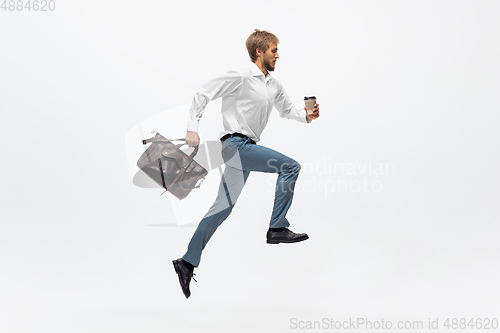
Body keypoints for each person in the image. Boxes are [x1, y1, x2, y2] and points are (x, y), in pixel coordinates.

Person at [172, 29, 320, 298]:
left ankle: (187, 261)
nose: (278, 55)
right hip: (234, 145)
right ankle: (277, 228)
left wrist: (307, 116)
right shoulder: (240, 76)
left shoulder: (273, 85)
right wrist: (192, 126)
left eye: (278, 50)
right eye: (274, 50)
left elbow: (288, 110)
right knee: (290, 166)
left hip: (246, 149)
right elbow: (203, 93)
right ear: (259, 52)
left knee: (222, 208)